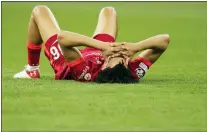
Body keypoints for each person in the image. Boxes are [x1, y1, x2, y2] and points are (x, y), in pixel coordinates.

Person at [14, 5, 170, 83]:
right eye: (122, 56)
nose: (118, 52)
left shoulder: (84, 70)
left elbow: (63, 38)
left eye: (114, 56)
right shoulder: (133, 71)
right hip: (98, 50)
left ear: (104, 65)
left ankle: (32, 69)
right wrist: (135, 48)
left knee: (39, 11)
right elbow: (164, 40)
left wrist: (102, 47)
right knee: (109, 11)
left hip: (67, 57)